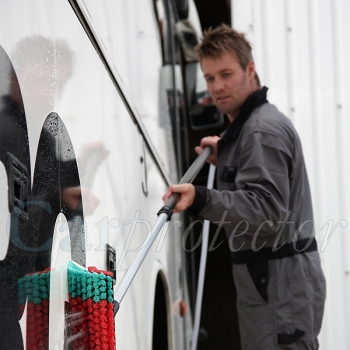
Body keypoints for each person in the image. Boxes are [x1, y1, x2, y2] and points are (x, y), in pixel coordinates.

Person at [162, 24, 326, 349]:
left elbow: (266, 212)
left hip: (280, 292)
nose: (217, 87)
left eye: (226, 74)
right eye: (209, 78)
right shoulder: (253, 129)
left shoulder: (261, 131)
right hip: (275, 287)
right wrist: (230, 154)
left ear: (249, 70)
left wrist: (200, 197)